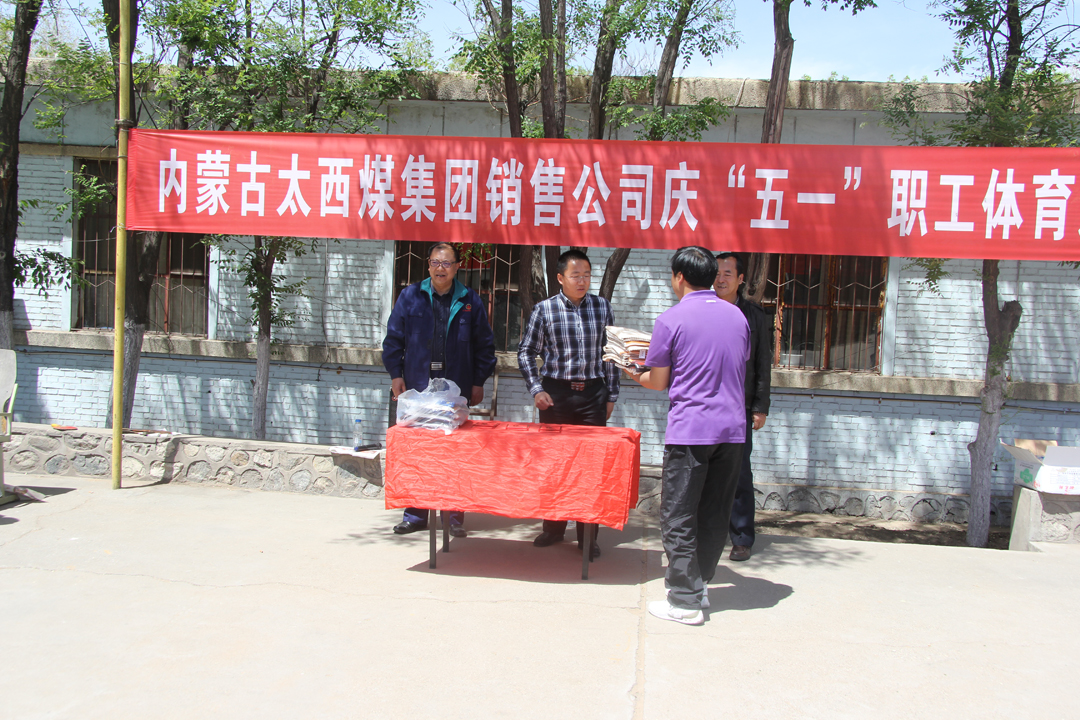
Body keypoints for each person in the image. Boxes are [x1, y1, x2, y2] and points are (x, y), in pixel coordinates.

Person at [624, 246, 749, 625]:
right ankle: (700, 586)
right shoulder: (737, 316)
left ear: (678, 277)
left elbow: (658, 380)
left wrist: (633, 371)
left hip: (692, 430)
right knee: (714, 512)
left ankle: (683, 600)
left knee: (678, 514)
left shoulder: (671, 319)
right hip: (732, 431)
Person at [383, 242, 496, 537]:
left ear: (457, 267)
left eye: (446, 263)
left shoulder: (470, 300)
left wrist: (478, 382)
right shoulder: (411, 296)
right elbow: (393, 339)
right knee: (418, 450)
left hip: (456, 386)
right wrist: (396, 375)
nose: (440, 268)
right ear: (428, 265)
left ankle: (453, 515)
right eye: (435, 262)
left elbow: (485, 346)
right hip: (418, 385)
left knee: (454, 450)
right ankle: (415, 514)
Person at [517, 249, 619, 560]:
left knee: (590, 468)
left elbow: (612, 353)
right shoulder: (544, 310)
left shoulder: (602, 307)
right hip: (556, 396)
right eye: (576, 275)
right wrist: (536, 389)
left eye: (587, 275)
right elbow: (526, 352)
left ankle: (588, 536)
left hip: (592, 395)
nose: (582, 281)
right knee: (554, 464)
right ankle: (553, 527)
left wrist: (611, 395)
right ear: (561, 278)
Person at [714, 252, 772, 562]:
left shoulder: (754, 315)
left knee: (739, 473)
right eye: (716, 273)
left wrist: (760, 406)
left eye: (727, 273)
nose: (720, 279)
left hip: (739, 407)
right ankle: (709, 532)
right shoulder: (704, 309)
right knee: (706, 472)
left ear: (740, 279)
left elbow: (762, 364)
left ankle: (741, 537)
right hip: (707, 404)